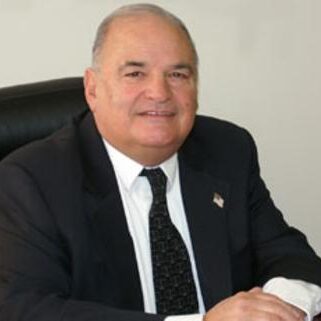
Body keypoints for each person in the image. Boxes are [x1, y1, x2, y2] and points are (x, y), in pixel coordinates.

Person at [0, 3, 320, 321]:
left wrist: (281, 308)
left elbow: (290, 256)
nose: (159, 92)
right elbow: (25, 309)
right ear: (93, 88)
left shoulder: (228, 150)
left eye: (178, 74)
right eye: (135, 73)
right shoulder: (32, 181)